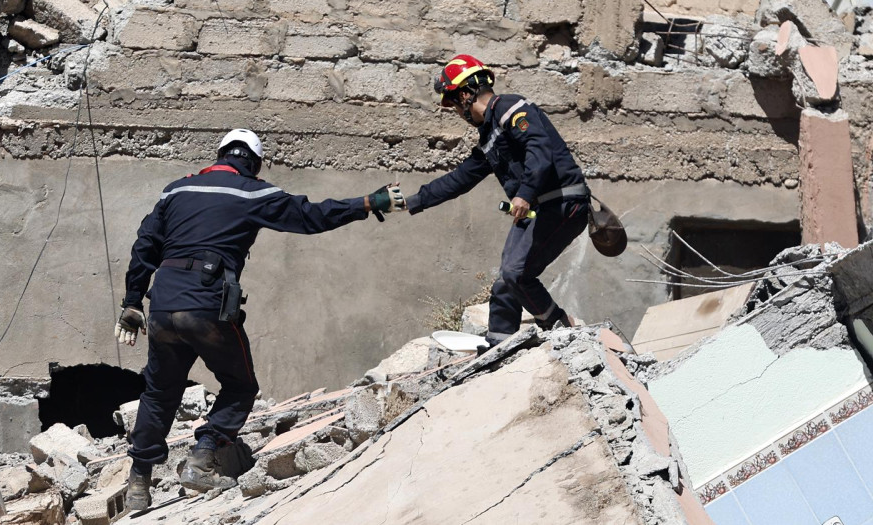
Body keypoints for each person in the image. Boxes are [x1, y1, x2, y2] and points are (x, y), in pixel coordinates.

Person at [114, 129, 405, 511]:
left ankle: (139, 483)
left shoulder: (176, 190)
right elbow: (311, 216)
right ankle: (202, 458)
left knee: (158, 392)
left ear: (218, 154)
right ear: (253, 162)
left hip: (163, 304)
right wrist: (367, 202)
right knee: (239, 385)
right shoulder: (252, 191)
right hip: (206, 305)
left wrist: (133, 301)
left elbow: (145, 244)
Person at [403, 54, 591, 347]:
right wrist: (414, 201)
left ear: (465, 94)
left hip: (563, 202)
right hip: (538, 209)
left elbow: (539, 148)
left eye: (452, 103)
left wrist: (525, 193)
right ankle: (499, 346)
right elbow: (460, 179)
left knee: (516, 273)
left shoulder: (510, 108)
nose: (455, 111)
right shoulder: (489, 136)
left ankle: (561, 329)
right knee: (505, 282)